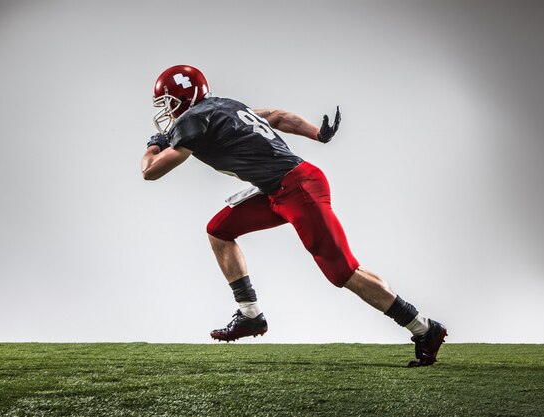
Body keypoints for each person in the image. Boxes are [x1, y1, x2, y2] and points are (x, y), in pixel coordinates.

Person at [141, 64, 447, 367]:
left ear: (182, 98)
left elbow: (150, 172)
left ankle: (423, 327)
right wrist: (317, 134)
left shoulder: (193, 121)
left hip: (297, 189)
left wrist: (153, 146)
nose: (166, 112)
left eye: (166, 103)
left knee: (343, 272)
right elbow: (277, 116)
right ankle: (250, 315)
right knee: (219, 230)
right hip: (280, 188)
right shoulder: (226, 106)